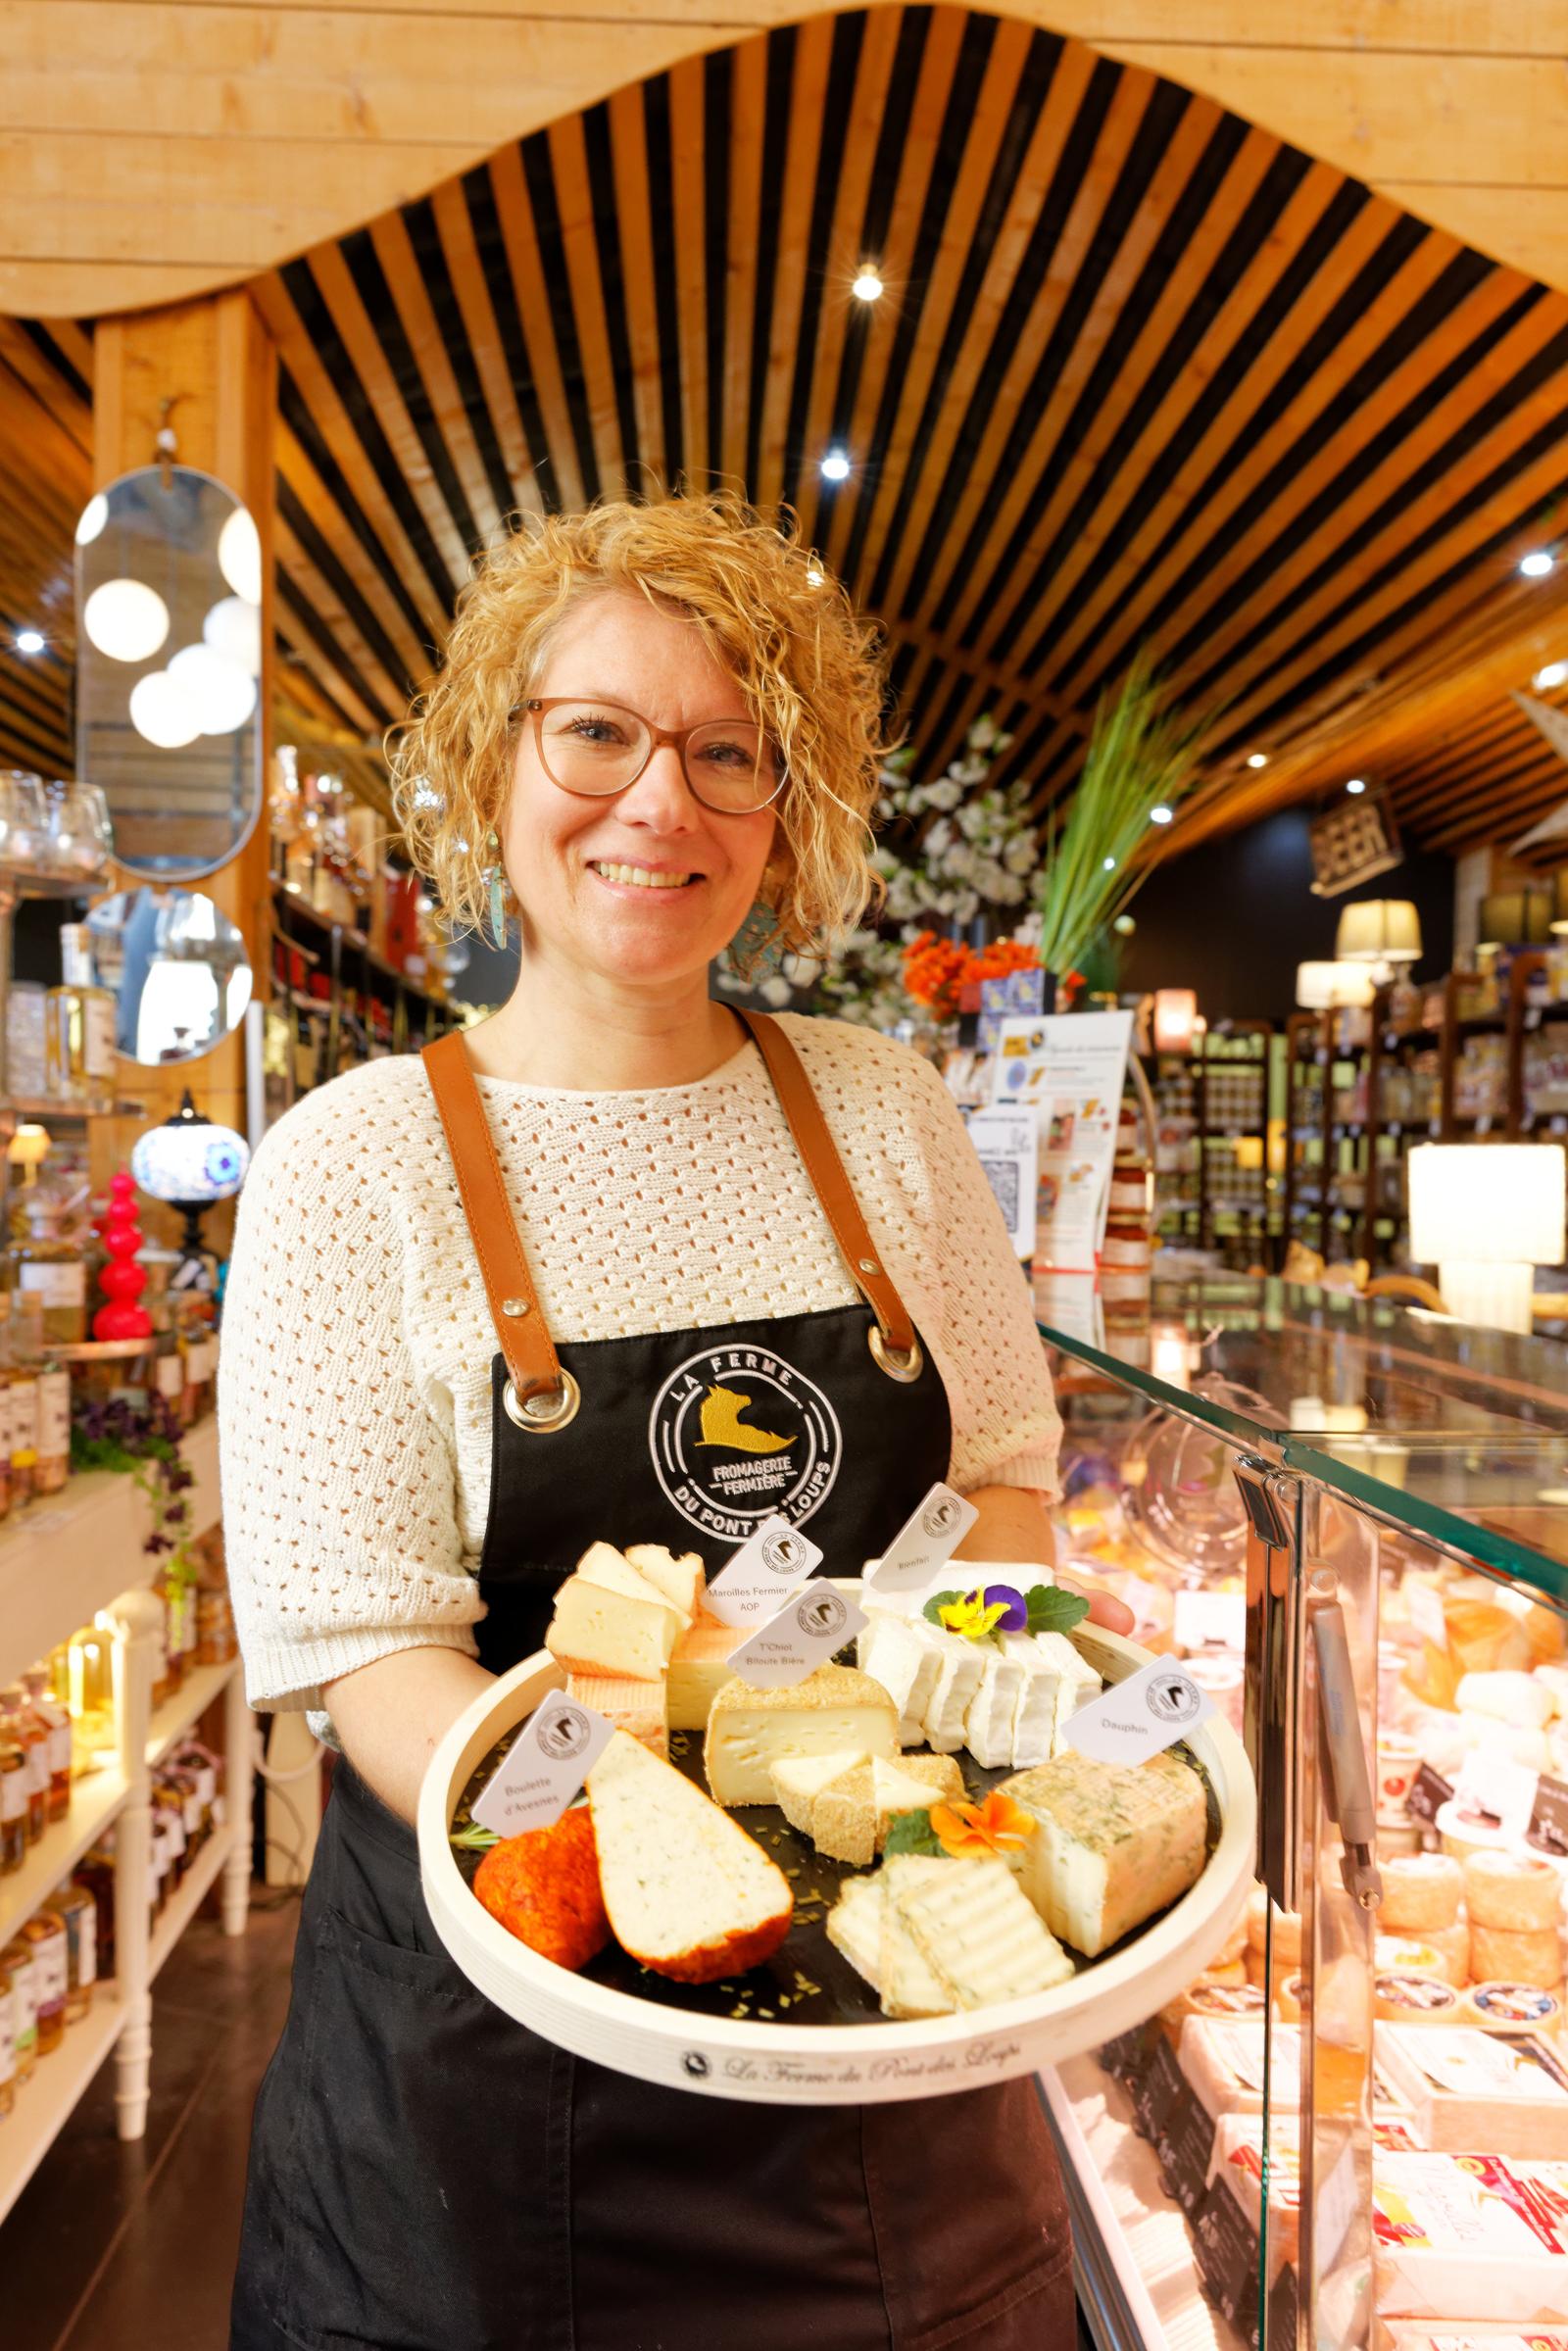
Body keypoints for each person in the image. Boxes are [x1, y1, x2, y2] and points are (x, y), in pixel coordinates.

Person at [220, 490, 1129, 2351]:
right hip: (491, 2097)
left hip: (898, 2039)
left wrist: (988, 1738)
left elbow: (1001, 1485)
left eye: (732, 752)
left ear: (785, 815)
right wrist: (654, 1837)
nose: (663, 804)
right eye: (600, 734)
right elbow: (368, 1652)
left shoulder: (885, 1111)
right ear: (492, 763)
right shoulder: (355, 1166)